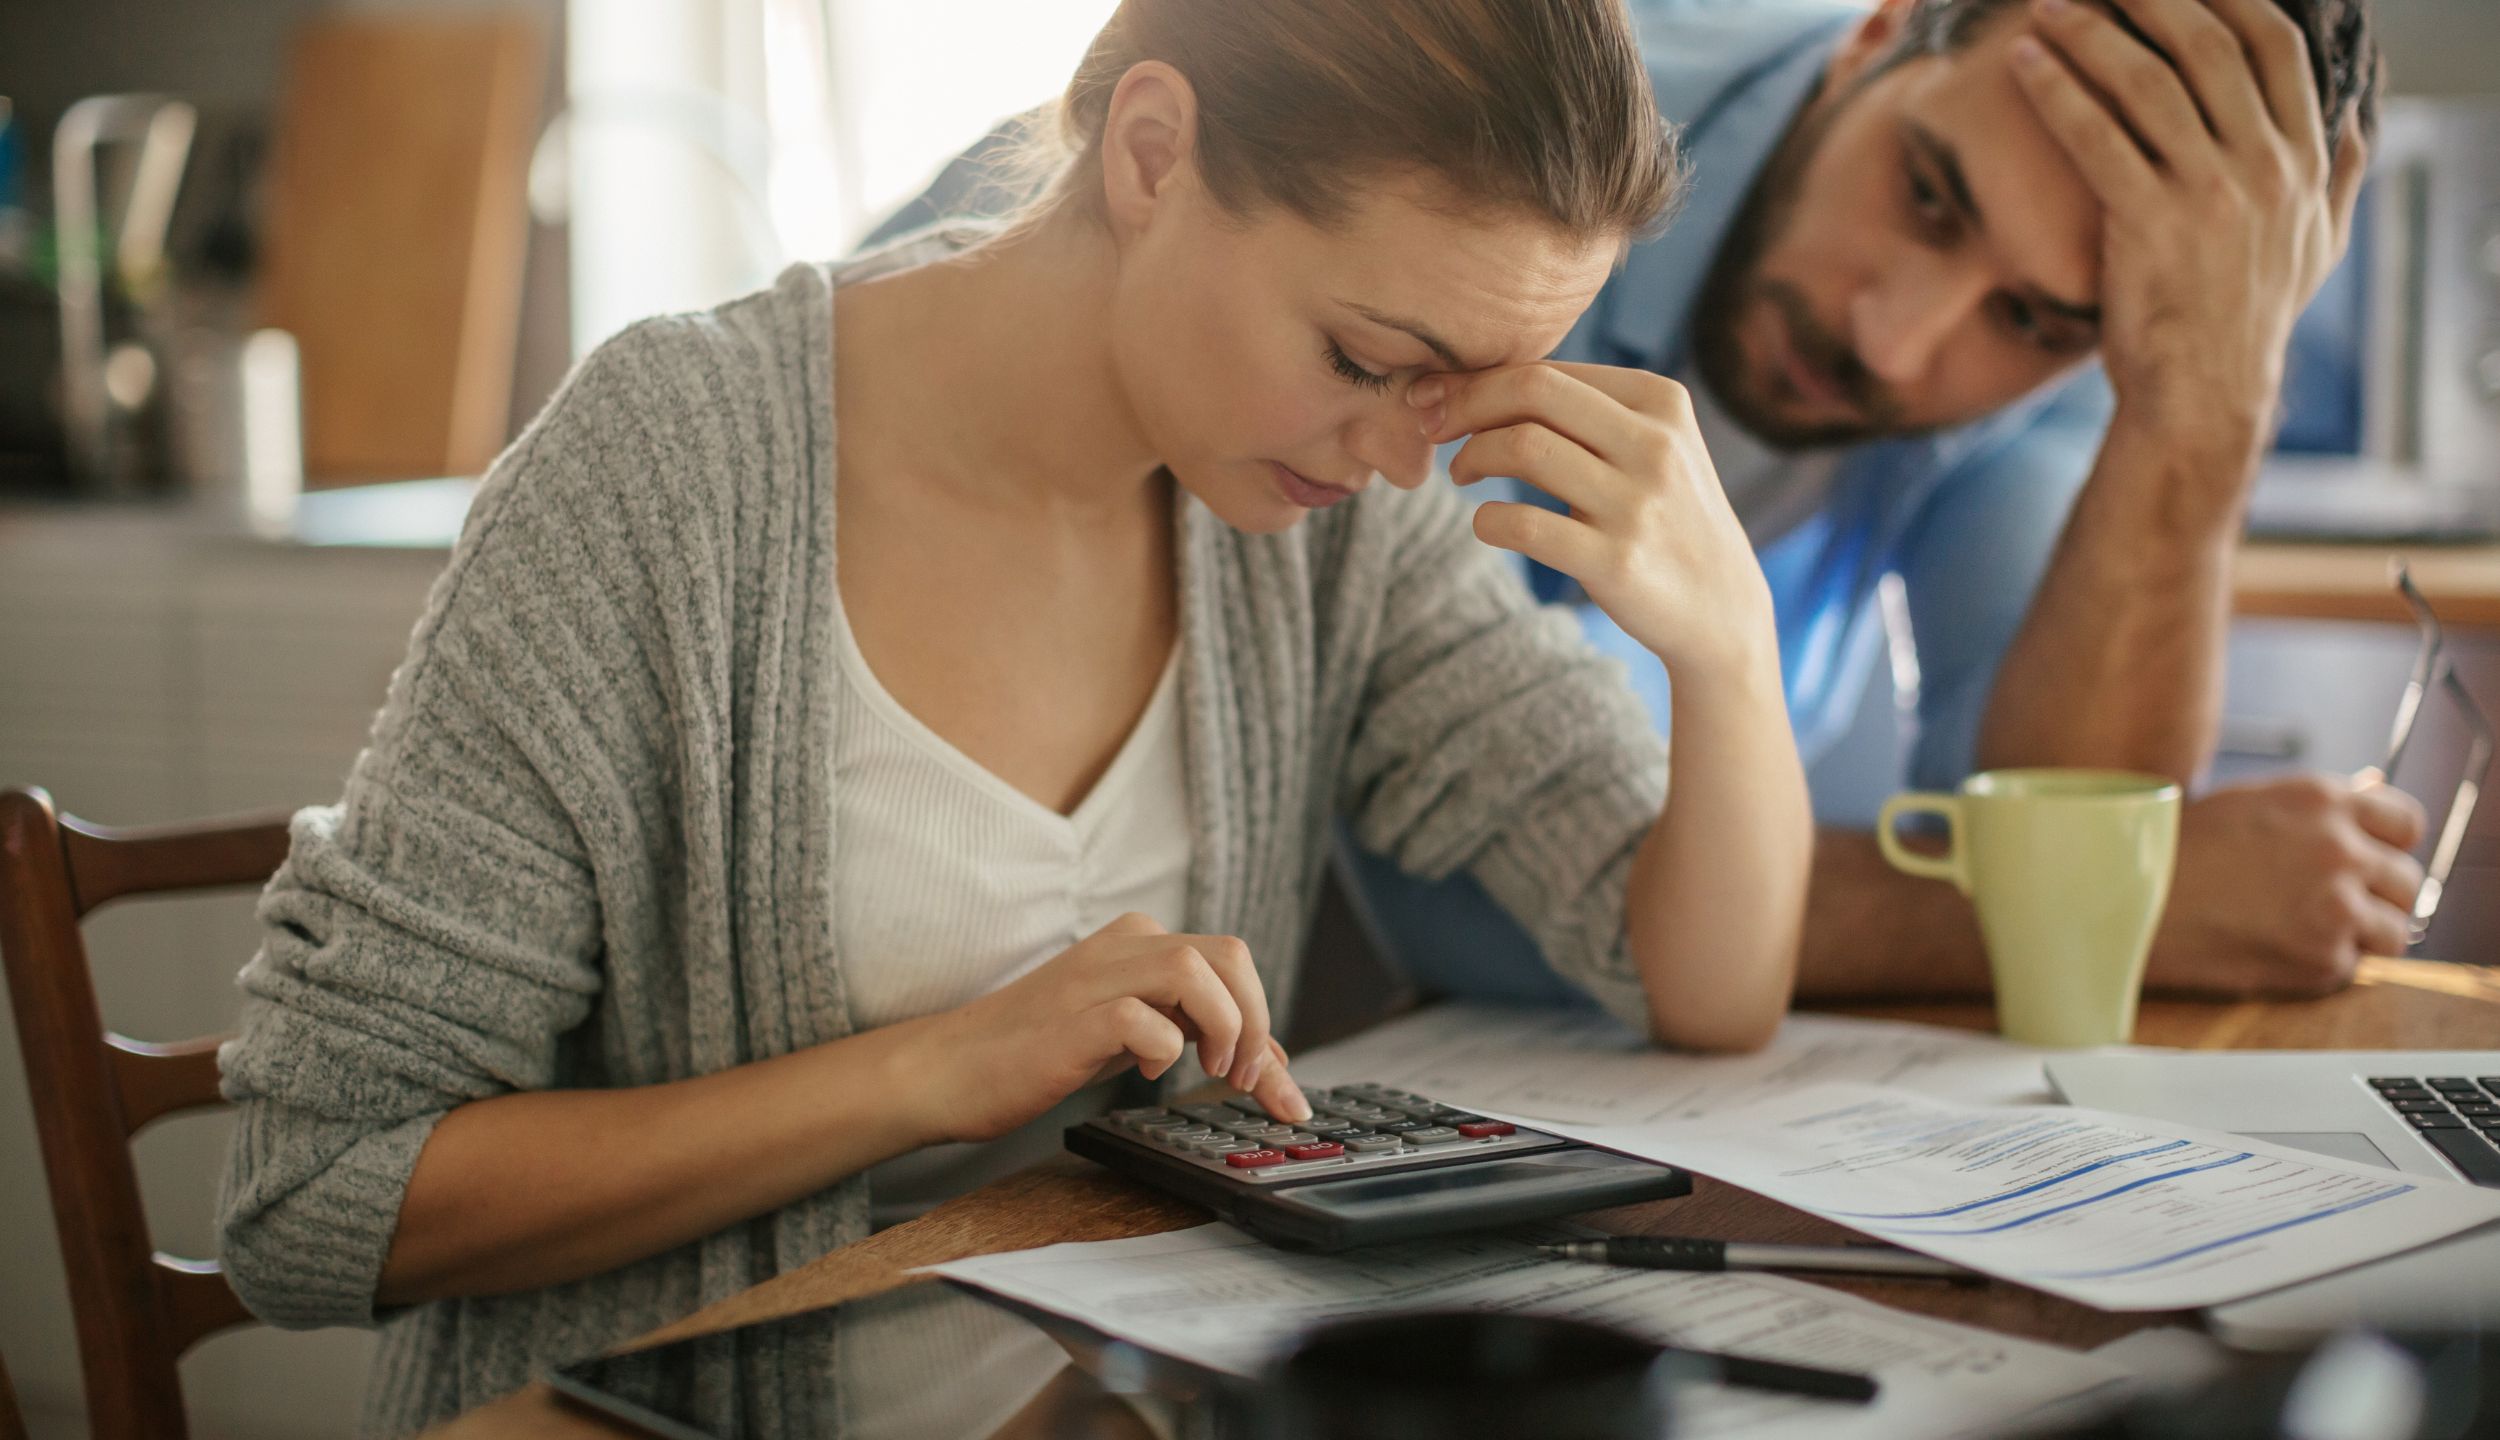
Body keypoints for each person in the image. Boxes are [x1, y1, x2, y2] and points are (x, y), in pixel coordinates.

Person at [214, 2, 1812, 1435]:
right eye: (1369, 359)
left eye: (1461, 396)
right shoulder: (667, 476)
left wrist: (1725, 652)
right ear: (1154, 152)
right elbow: (315, 1194)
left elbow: (1702, 981)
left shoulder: (1323, 519)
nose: (1406, 459)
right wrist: (928, 1072)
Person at [1332, 0, 2428, 1007]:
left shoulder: (2090, 347)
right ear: (1881, 28)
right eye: (1928, 197)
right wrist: (2082, 914)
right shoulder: (1511, 149)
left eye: (2030, 321)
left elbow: (2043, 822)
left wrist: (2203, 413)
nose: (1892, 342)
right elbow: (1465, 891)